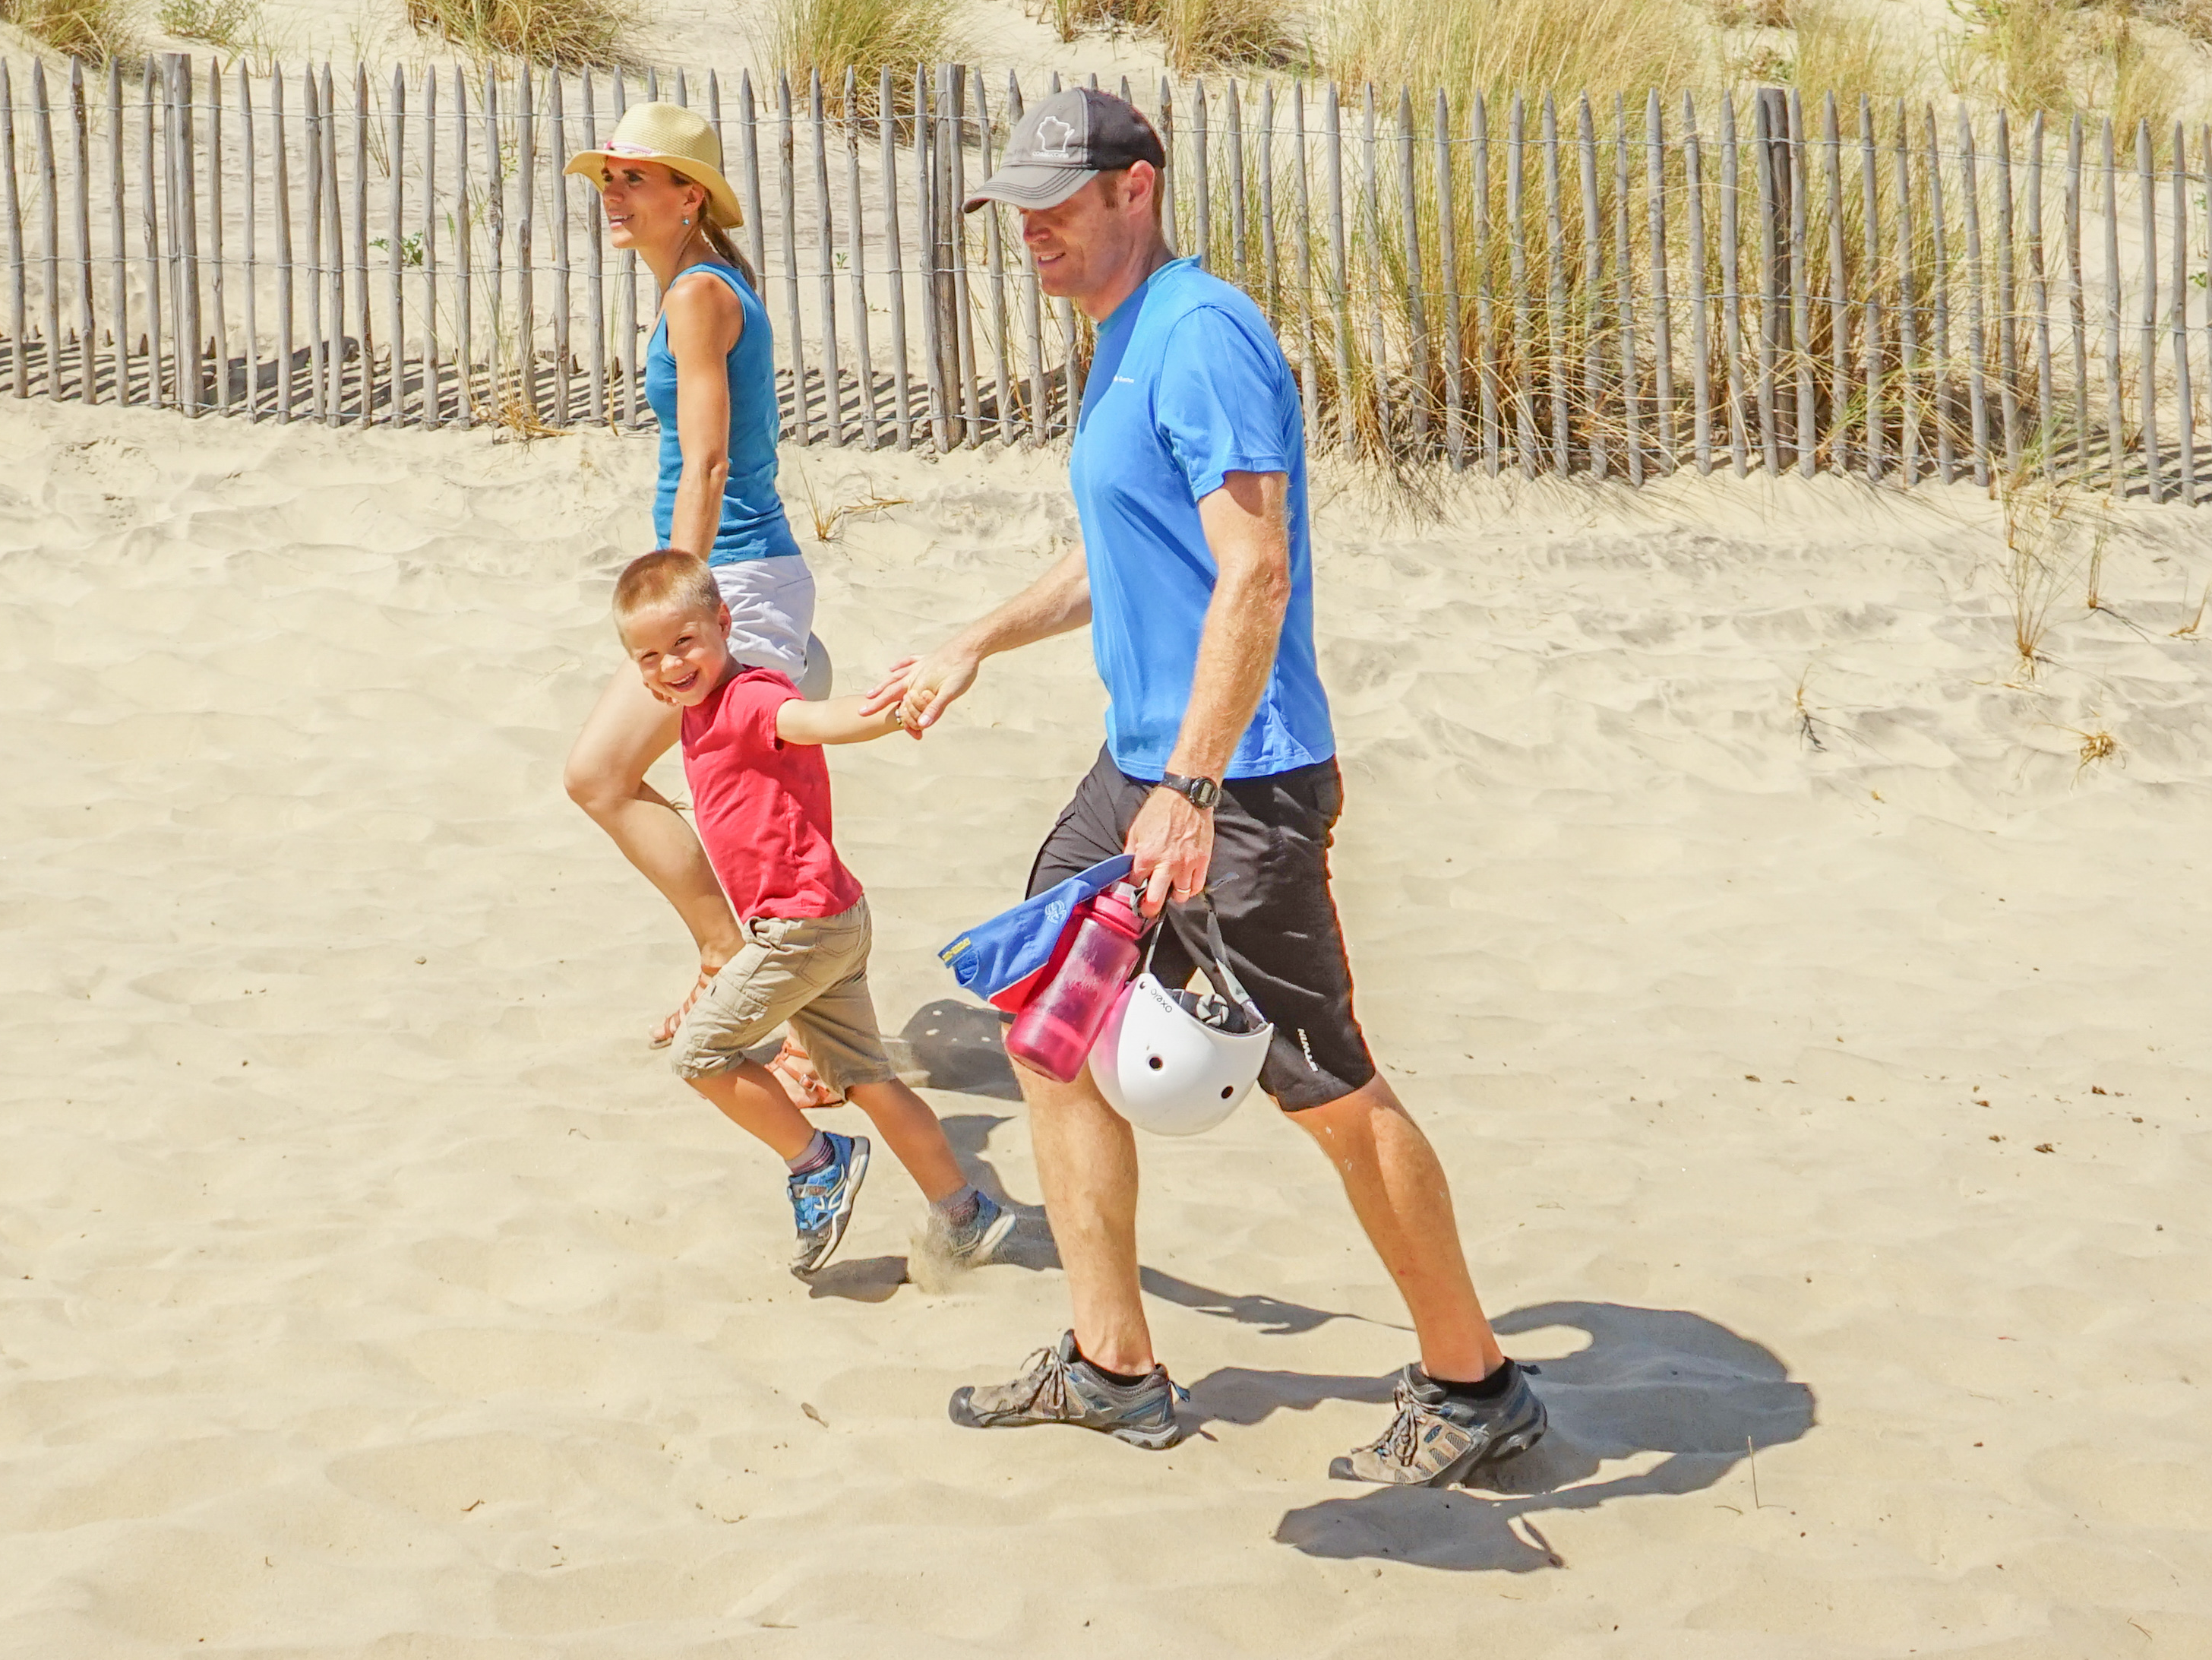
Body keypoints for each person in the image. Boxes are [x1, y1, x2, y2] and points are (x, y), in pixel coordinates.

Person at [867, 87, 1550, 1486]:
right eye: (1019, 210)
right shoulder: (1123, 341)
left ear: (1139, 186)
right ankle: (1113, 1360)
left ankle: (1476, 1379)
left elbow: (1255, 567)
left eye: (1058, 202)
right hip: (1139, 765)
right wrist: (975, 637)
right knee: (1044, 1023)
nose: (1033, 230)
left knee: (1327, 1086)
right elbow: (1121, 556)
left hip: (1235, 782)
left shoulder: (1202, 332)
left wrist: (1192, 782)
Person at [615, 546, 1020, 1282]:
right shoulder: (695, 712)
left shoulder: (749, 700)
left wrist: (895, 710)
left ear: (723, 624)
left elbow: (816, 720)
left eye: (684, 643)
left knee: (699, 1054)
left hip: (800, 928)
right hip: (830, 915)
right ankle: (963, 1214)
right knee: (868, 1080)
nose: (670, 666)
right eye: (648, 657)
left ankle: (818, 1163)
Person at [558, 101, 839, 1105]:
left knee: (622, 780)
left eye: (635, 178)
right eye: (609, 177)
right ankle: (743, 969)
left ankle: (750, 976)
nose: (614, 193)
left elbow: (711, 458)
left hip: (735, 579)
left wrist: (678, 593)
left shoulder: (697, 296)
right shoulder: (696, 289)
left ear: (690, 197)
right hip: (742, 576)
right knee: (716, 801)